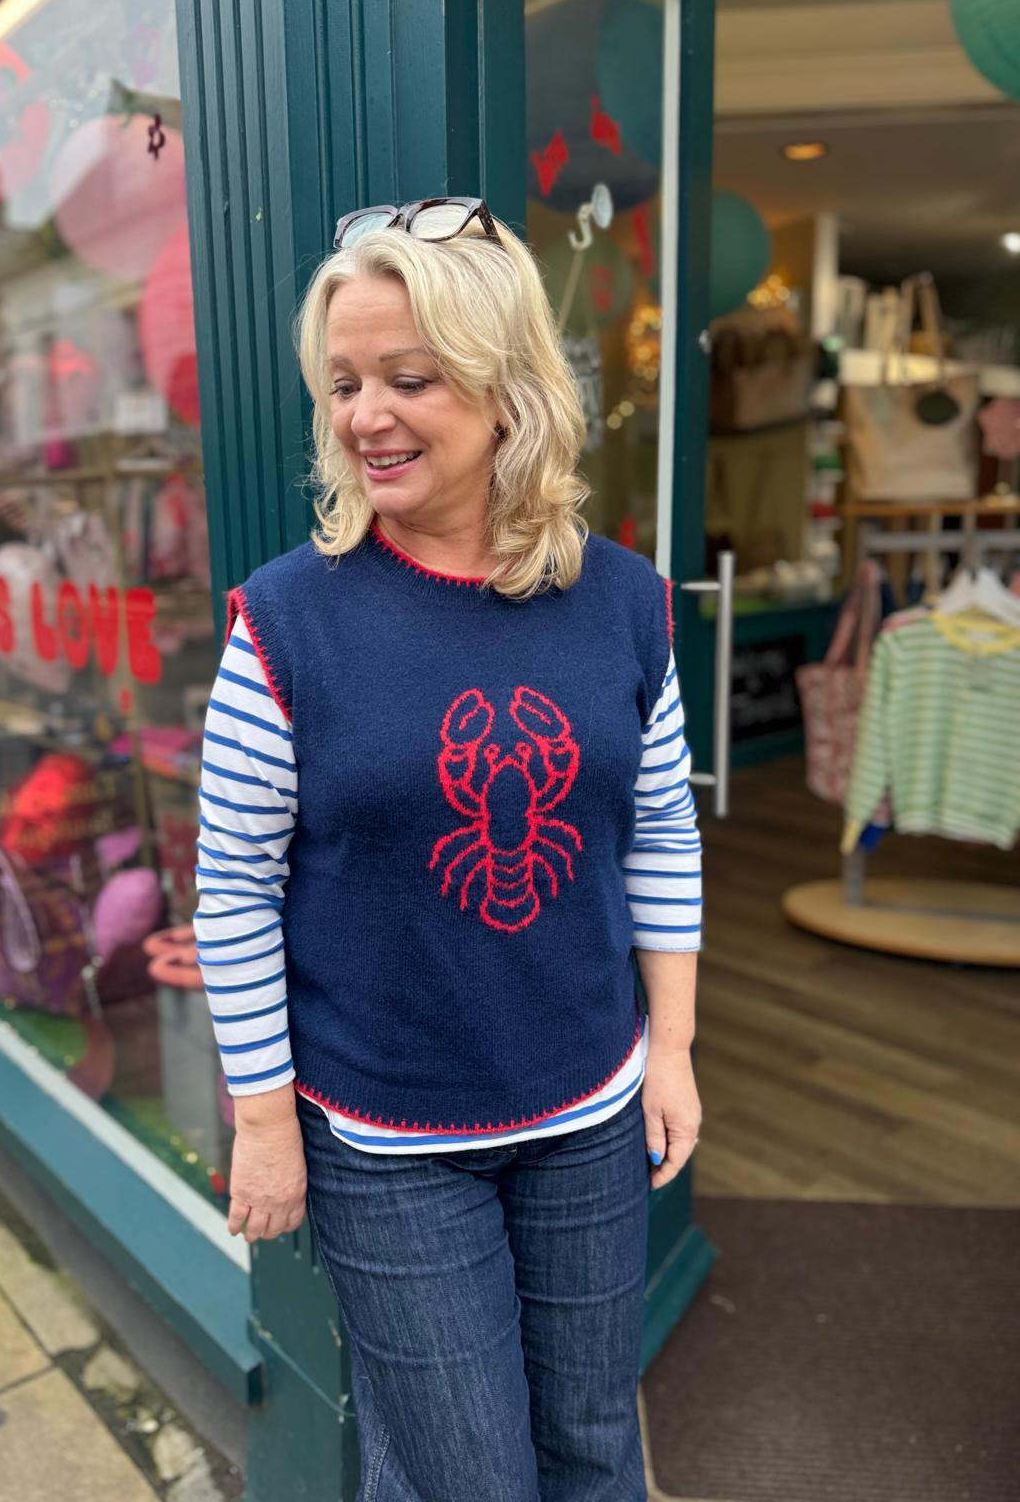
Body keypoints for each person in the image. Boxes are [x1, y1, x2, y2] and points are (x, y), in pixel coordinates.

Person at [194, 197, 703, 1502]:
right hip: (386, 1139)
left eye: (409, 378)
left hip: (587, 1109)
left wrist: (675, 1051)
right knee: (464, 1478)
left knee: (592, 1445)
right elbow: (236, 888)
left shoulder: (628, 605)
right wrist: (265, 1123)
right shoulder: (285, 624)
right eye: (347, 381)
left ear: (504, 386)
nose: (368, 413)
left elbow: (657, 830)